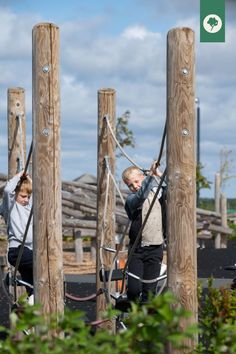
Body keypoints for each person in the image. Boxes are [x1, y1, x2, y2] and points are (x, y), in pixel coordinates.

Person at [122, 161, 164, 303]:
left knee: (149, 292)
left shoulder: (157, 195)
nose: (134, 186)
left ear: (143, 178)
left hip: (155, 247)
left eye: (136, 182)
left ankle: (145, 321)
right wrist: (150, 177)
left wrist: (158, 175)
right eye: (130, 185)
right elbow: (141, 195)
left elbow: (174, 189)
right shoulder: (131, 200)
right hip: (137, 250)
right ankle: (132, 309)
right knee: (134, 290)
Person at [0, 171, 33, 302]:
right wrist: (19, 175)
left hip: (28, 251)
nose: (26, 200)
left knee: (33, 286)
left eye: (28, 197)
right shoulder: (11, 206)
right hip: (19, 251)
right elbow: (8, 190)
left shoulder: (29, 207)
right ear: (16, 195)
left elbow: (37, 192)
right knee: (44, 264)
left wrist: (29, 180)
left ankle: (31, 303)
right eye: (23, 196)